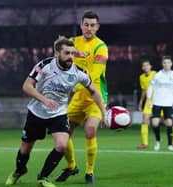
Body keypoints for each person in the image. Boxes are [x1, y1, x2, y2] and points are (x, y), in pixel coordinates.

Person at [5, 37, 106, 187]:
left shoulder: (79, 72)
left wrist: (104, 112)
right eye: (67, 53)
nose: (71, 56)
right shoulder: (44, 66)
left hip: (58, 114)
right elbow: (26, 86)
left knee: (62, 145)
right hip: (36, 112)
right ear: (57, 53)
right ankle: (19, 171)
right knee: (25, 149)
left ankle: (43, 177)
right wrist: (44, 100)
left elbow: (94, 91)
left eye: (72, 53)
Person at [55, 11, 108, 184]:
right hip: (77, 98)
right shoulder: (73, 42)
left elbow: (96, 72)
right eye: (86, 24)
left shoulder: (101, 47)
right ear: (81, 25)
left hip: (95, 96)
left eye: (93, 25)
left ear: (97, 27)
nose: (89, 28)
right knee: (63, 134)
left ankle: (90, 172)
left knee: (90, 129)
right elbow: (62, 60)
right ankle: (71, 167)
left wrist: (77, 84)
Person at [137, 59, 173, 149]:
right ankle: (145, 143)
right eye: (144, 65)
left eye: (147, 65)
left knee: (166, 121)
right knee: (145, 119)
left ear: (150, 66)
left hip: (159, 100)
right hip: (149, 101)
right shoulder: (141, 77)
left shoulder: (156, 74)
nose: (146, 67)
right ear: (142, 68)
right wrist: (141, 103)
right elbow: (144, 91)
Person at [147, 56, 173, 151]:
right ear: (162, 64)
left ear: (171, 64)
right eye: (165, 63)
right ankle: (158, 141)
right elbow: (150, 87)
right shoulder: (158, 75)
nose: (166, 64)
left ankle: (170, 144)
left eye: (168, 63)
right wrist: (149, 100)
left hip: (168, 103)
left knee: (169, 123)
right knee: (155, 123)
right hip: (157, 102)